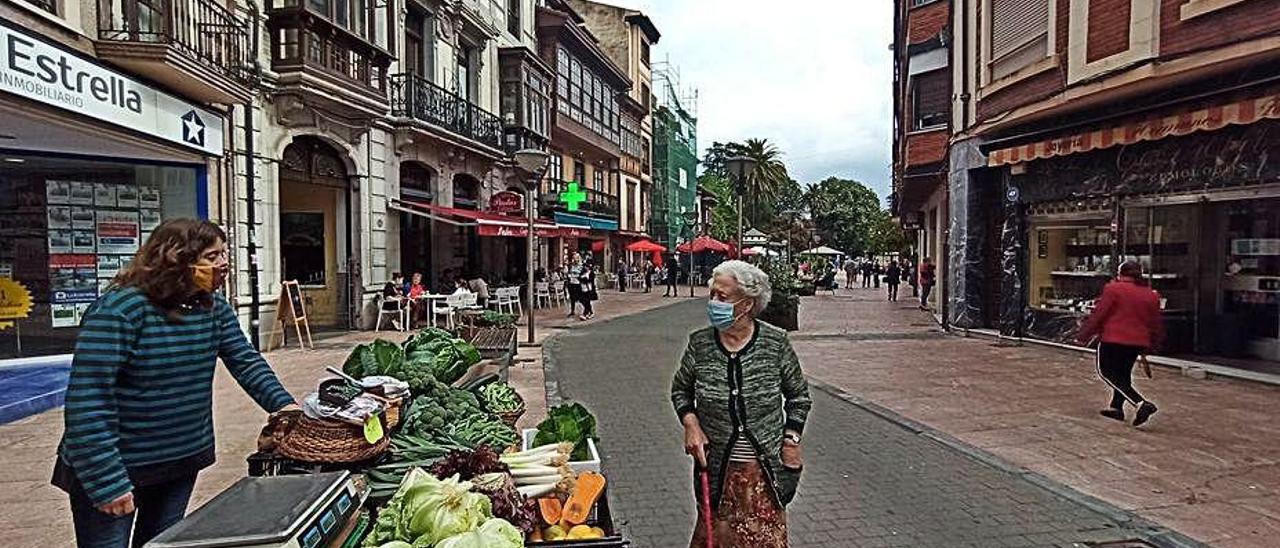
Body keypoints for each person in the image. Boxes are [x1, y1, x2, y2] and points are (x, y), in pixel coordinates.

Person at [53, 219, 298, 548]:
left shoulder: (212, 308)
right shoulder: (120, 310)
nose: (223, 263)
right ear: (176, 259)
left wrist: (286, 407)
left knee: (162, 543)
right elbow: (89, 399)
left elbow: (246, 361)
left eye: (224, 253)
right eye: (212, 256)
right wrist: (107, 481)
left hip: (177, 461)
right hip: (116, 466)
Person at [671, 260, 812, 548]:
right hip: (718, 471)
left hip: (764, 473)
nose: (713, 302)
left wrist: (791, 440)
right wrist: (691, 424)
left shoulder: (775, 343)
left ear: (746, 304)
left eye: (722, 297)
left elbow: (799, 396)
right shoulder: (700, 344)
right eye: (712, 295)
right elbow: (681, 390)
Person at [1076, 260, 1164, 426]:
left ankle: (1140, 403)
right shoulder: (1151, 294)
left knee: (1106, 372)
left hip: (1113, 338)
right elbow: (1155, 322)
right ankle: (1116, 407)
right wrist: (1154, 342)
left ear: (1121, 273)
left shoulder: (1113, 289)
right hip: (1137, 341)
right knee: (1123, 374)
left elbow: (1100, 314)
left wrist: (1084, 334)